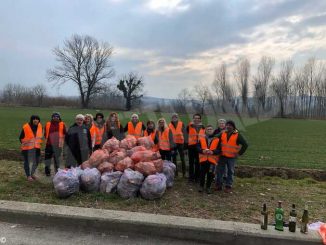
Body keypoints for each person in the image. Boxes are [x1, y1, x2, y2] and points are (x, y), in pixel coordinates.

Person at [215, 120, 248, 193]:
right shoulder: (222, 133)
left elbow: (245, 144)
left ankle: (228, 186)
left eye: (230, 125)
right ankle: (219, 185)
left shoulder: (237, 135)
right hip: (222, 156)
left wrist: (239, 153)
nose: (228, 126)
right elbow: (215, 138)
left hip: (232, 157)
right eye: (227, 125)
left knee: (230, 171)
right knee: (219, 171)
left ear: (233, 127)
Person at [19, 115, 43, 181]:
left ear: (39, 120)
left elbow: (39, 137)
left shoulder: (40, 126)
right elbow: (20, 138)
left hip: (37, 147)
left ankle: (32, 174)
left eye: (37, 119)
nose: (35, 120)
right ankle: (28, 176)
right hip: (27, 148)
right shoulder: (26, 127)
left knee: (37, 161)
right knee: (27, 162)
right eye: (34, 119)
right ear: (31, 120)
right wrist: (26, 144)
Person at [197, 125, 220, 194]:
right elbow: (197, 147)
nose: (209, 130)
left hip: (212, 160)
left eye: (210, 129)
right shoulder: (201, 138)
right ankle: (201, 186)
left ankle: (208, 187)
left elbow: (219, 150)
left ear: (213, 130)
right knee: (202, 174)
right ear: (205, 131)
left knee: (210, 174)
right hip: (203, 160)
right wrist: (202, 151)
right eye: (208, 129)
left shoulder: (217, 139)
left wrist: (213, 152)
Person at [44, 112, 66, 176]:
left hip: (58, 145)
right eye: (54, 117)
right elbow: (45, 134)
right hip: (49, 144)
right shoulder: (48, 124)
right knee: (47, 159)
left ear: (59, 118)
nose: (56, 118)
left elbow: (65, 133)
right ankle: (47, 172)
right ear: (52, 117)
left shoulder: (62, 124)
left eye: (57, 117)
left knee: (57, 160)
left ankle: (57, 172)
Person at [186, 114, 205, 182]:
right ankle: (191, 177)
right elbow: (187, 131)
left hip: (199, 147)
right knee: (191, 162)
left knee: (198, 162)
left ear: (200, 119)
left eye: (198, 118)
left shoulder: (203, 127)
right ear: (193, 119)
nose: (196, 119)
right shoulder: (190, 126)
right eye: (195, 118)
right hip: (191, 146)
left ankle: (197, 177)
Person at [169, 113, 187, 177]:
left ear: (177, 117)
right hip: (173, 144)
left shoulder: (181, 124)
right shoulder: (169, 125)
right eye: (173, 117)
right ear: (171, 118)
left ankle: (184, 173)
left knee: (182, 159)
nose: (174, 118)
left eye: (176, 117)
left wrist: (185, 145)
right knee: (174, 159)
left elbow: (185, 134)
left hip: (181, 143)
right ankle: (175, 173)